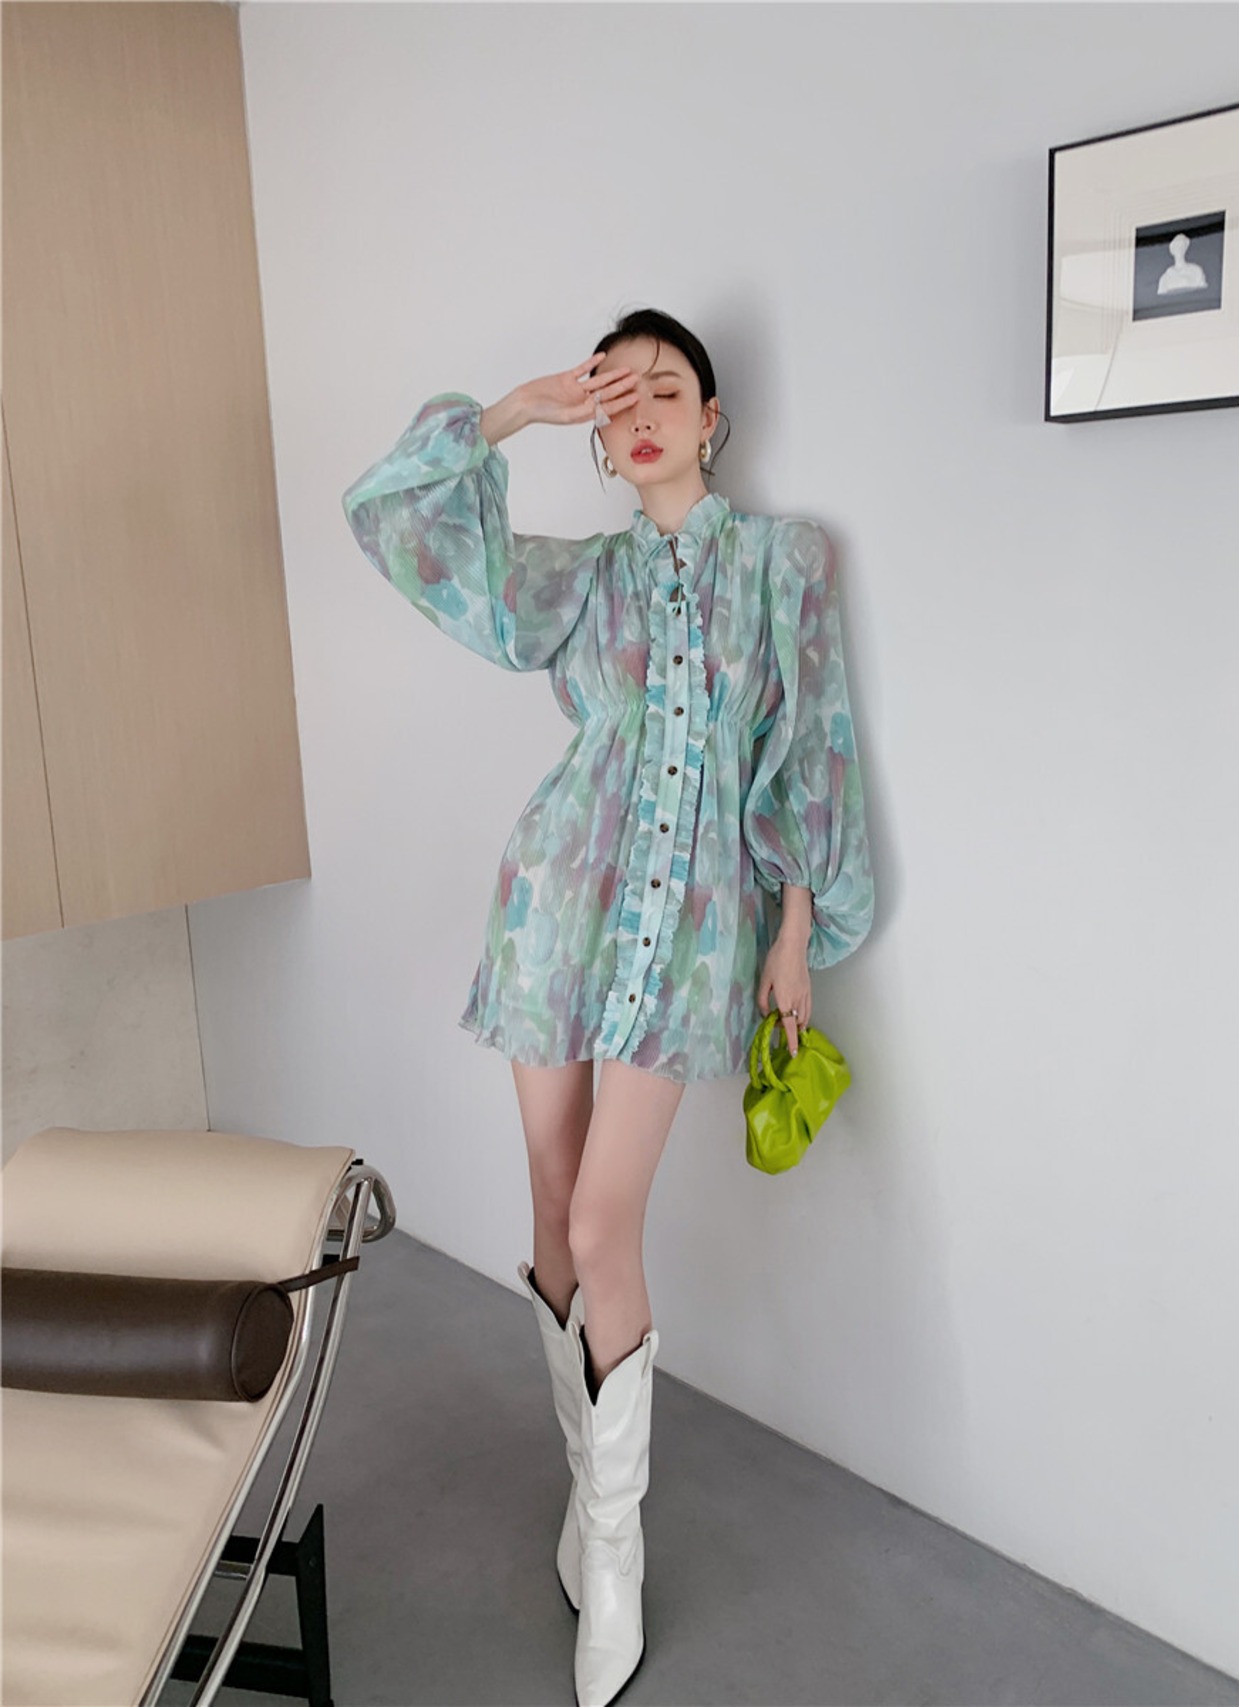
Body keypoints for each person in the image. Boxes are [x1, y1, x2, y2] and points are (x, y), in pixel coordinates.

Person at [341, 307, 874, 1707]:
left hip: (693, 937)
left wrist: (794, 929)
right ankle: (589, 1500)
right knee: (549, 1202)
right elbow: (392, 520)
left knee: (599, 1224)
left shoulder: (784, 564)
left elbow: (812, 746)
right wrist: (514, 410)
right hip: (556, 912)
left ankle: (617, 1552)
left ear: (713, 418)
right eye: (615, 397)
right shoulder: (579, 582)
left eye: (666, 390)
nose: (639, 415)